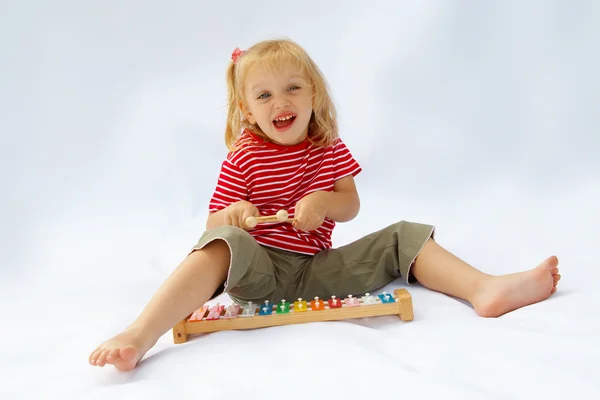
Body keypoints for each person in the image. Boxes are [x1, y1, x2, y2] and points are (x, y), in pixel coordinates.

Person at [88, 38, 561, 372]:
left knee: (403, 234)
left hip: (318, 269)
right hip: (261, 275)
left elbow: (351, 205)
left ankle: (482, 289)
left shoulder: (328, 147)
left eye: (293, 88)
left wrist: (326, 203)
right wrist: (231, 215)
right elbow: (213, 226)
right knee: (224, 239)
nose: (281, 102)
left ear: (313, 94)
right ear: (248, 111)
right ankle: (139, 334)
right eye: (265, 95)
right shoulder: (244, 156)